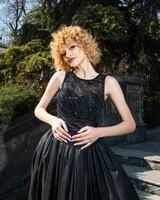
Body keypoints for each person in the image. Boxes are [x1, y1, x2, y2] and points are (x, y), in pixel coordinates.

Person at [28, 25, 140, 200]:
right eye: (63, 52)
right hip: (55, 151)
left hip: (87, 151)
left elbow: (130, 124)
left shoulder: (108, 82)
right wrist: (53, 121)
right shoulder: (60, 77)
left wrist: (99, 132)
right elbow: (39, 109)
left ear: (85, 46)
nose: (68, 54)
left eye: (72, 47)